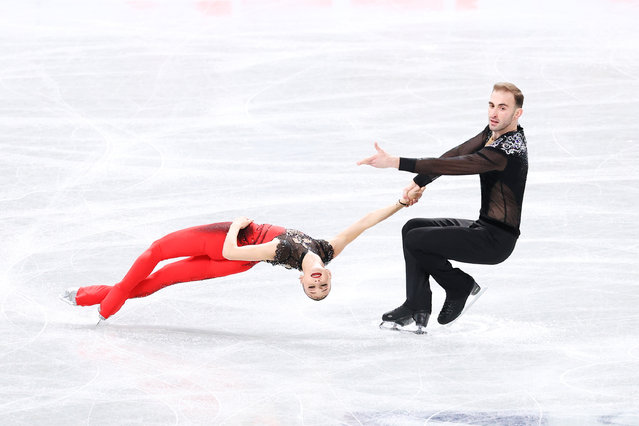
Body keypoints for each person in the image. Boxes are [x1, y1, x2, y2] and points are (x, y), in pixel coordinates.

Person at [61, 198, 411, 321]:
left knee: (156, 253)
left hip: (231, 246)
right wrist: (400, 202)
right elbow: (364, 224)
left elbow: (230, 251)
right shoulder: (326, 249)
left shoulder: (282, 252)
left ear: (301, 281)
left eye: (312, 289)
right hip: (239, 261)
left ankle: (105, 306)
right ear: (329, 277)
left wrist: (237, 225)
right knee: (163, 277)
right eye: (322, 287)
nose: (317, 283)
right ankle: (87, 297)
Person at [357, 82, 528, 331]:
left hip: (496, 241)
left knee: (418, 240)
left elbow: (458, 165)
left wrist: (396, 162)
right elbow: (457, 153)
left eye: (503, 108)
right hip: (484, 227)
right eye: (491, 105)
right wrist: (420, 181)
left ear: (517, 113)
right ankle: (416, 305)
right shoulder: (494, 134)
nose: (494, 113)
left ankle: (459, 285)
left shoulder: (505, 151)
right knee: (412, 228)